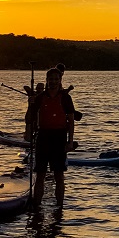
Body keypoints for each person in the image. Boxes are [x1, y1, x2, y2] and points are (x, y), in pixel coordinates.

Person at [26, 67, 76, 206]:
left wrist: (70, 142)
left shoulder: (66, 98)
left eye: (56, 79)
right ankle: (36, 206)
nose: (53, 82)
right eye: (50, 79)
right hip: (43, 137)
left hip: (59, 138)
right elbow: (28, 119)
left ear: (60, 80)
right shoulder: (39, 98)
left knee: (59, 176)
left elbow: (71, 121)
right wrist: (30, 104)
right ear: (46, 80)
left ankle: (59, 207)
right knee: (40, 175)